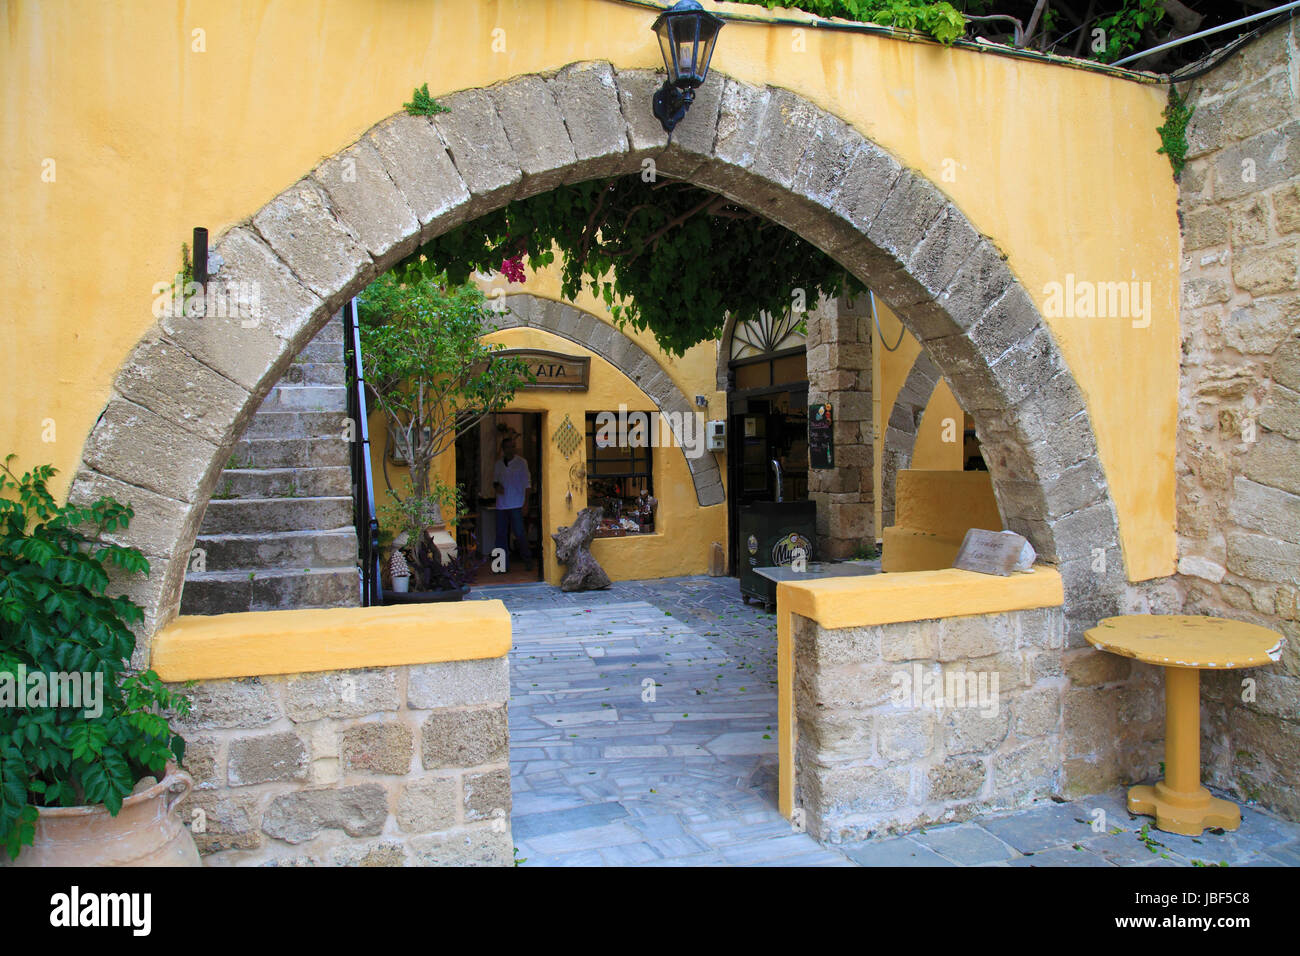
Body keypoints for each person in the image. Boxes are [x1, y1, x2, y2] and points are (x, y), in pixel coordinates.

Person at [492, 436, 532, 571]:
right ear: (503, 449)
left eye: (512, 447)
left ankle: (528, 560)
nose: (510, 450)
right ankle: (501, 566)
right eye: (508, 447)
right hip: (501, 505)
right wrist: (497, 487)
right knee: (501, 535)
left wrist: (526, 504)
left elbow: (527, 485)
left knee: (520, 534)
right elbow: (495, 481)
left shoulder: (522, 463)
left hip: (517, 504)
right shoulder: (498, 464)